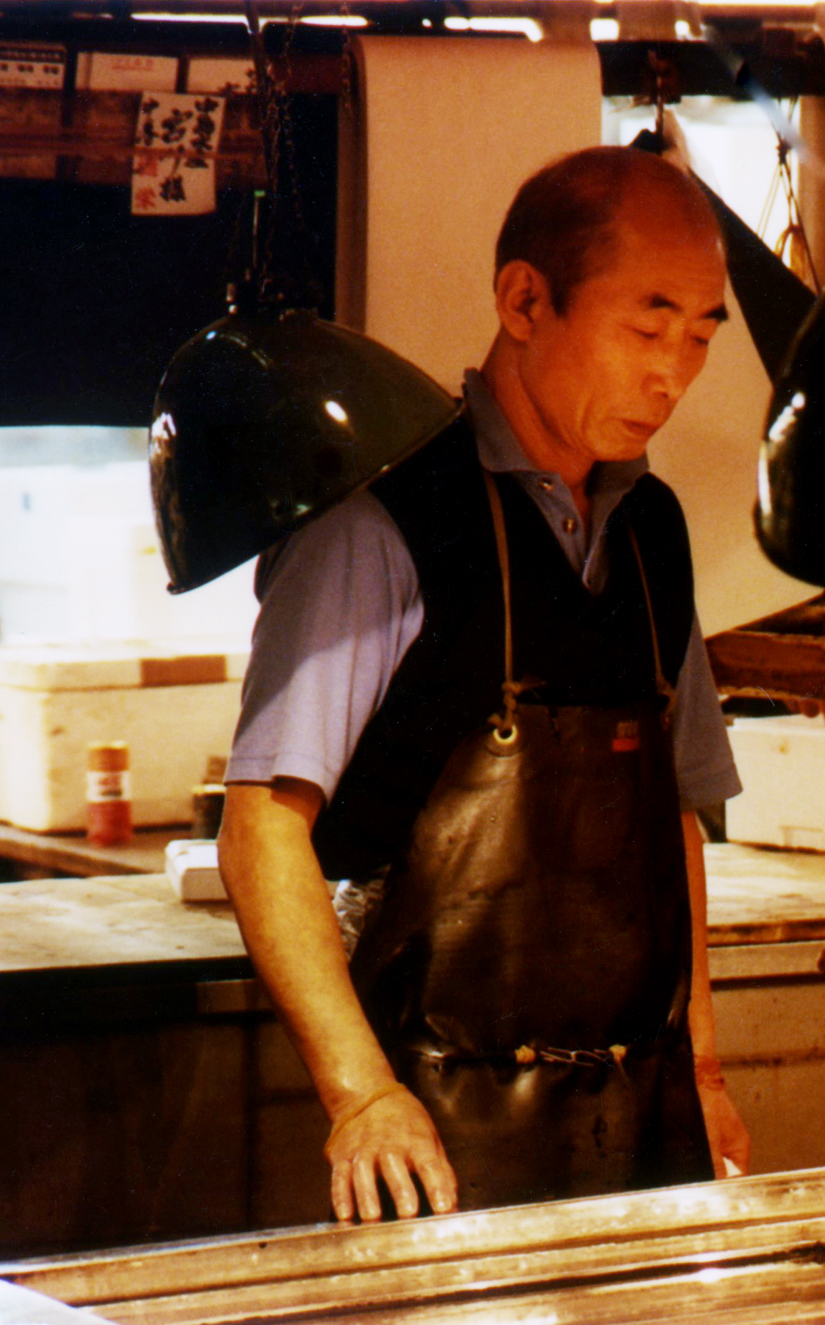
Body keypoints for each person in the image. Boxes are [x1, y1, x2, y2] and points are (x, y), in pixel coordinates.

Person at [218, 146, 751, 1224]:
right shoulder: (385, 519)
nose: (673, 375)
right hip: (428, 1136)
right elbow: (261, 826)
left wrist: (702, 1068)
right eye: (646, 329)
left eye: (699, 336)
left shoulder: (652, 531)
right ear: (523, 301)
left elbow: (674, 819)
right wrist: (361, 1093)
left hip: (640, 1121)